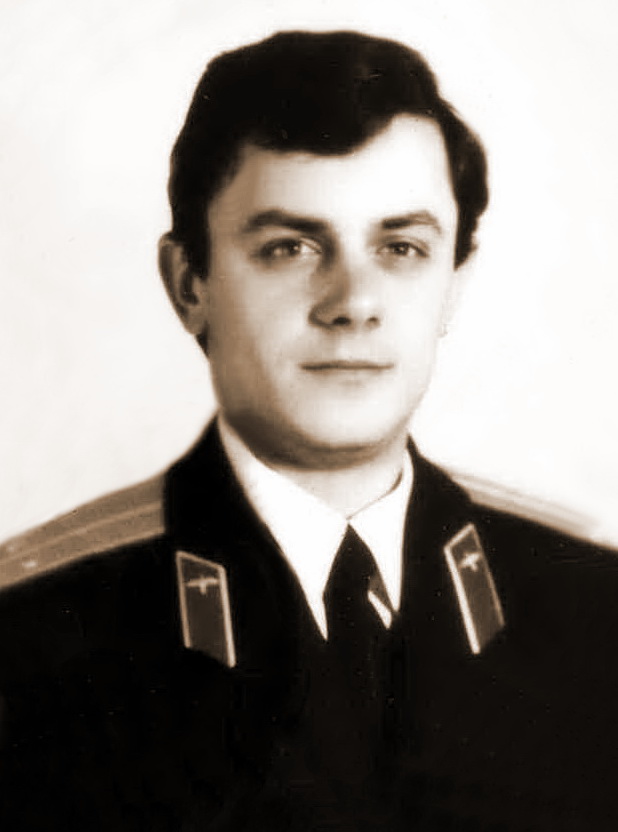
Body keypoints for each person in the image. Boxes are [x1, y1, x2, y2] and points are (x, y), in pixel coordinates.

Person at [1, 29, 617, 832]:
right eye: (289, 247)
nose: (353, 303)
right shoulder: (32, 634)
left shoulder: (593, 608)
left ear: (453, 285)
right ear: (189, 285)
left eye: (401, 247)